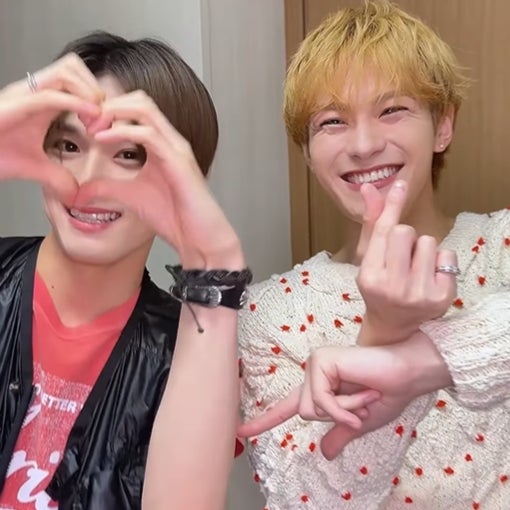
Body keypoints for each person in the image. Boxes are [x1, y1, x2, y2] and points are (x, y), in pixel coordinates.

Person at [237, 1, 510, 509]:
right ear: (307, 152)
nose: (363, 145)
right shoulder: (270, 312)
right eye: (332, 121)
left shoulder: (501, 246)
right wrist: (384, 332)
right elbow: (305, 500)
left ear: (443, 126)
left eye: (392, 110)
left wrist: (423, 360)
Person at [0, 31, 246, 510]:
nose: (88, 179)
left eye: (128, 154)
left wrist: (215, 267)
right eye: (68, 145)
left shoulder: (191, 351)